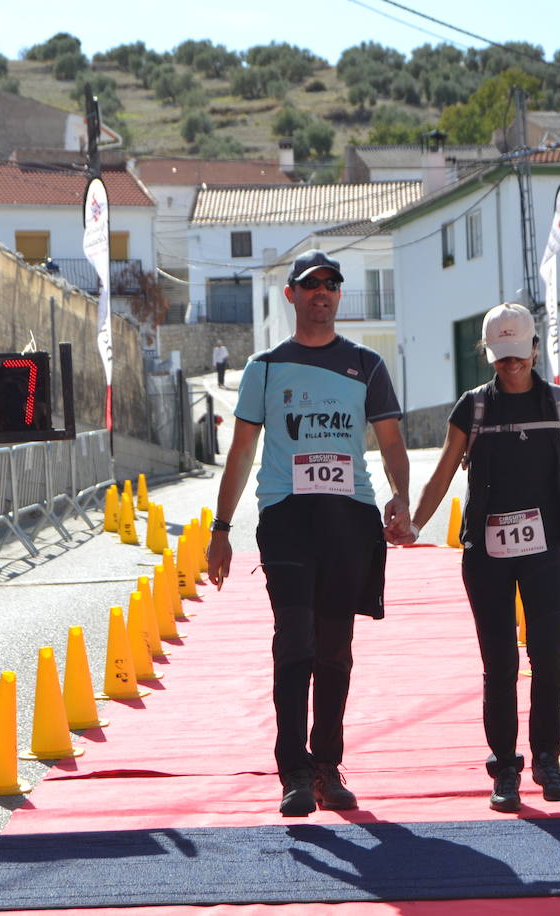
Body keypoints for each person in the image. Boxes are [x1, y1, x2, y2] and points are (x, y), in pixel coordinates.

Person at [207, 249, 412, 817]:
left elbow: (392, 443)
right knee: (294, 643)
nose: (323, 292)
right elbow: (242, 451)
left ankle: (327, 765)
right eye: (311, 284)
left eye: (332, 284)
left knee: (336, 650)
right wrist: (222, 530)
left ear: (339, 295)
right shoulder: (264, 367)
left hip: (349, 519)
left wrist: (400, 498)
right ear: (291, 295)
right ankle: (293, 772)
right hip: (287, 519)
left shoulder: (366, 364)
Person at [400, 303, 560, 812]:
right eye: (501, 358)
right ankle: (505, 766)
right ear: (489, 356)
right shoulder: (473, 408)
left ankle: (548, 757)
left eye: (518, 356)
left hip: (546, 550)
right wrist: (415, 522)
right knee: (498, 662)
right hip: (486, 554)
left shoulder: (559, 407)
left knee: (548, 658)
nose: (511, 366)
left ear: (534, 350)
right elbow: (441, 473)